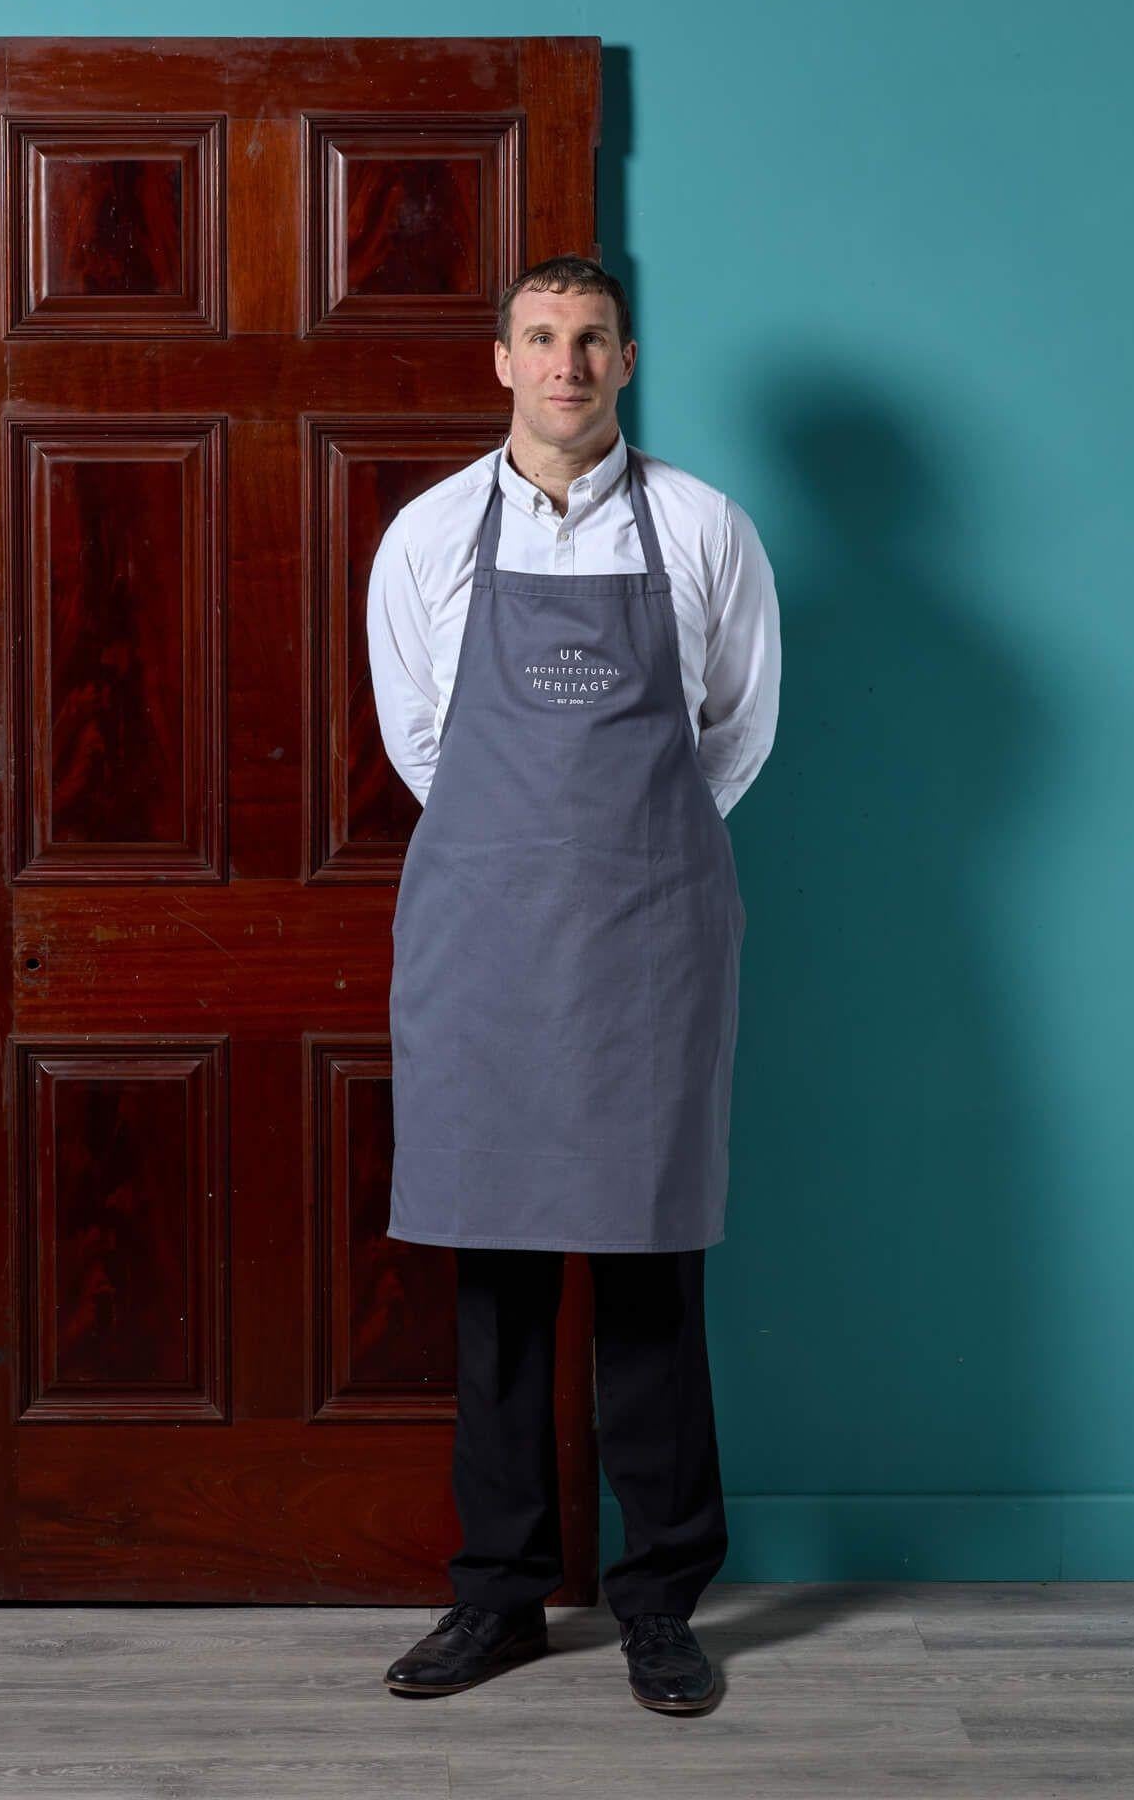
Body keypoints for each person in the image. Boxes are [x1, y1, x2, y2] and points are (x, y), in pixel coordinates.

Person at [365, 254, 781, 1714]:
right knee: (498, 1283)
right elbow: (427, 745)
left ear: (628, 360)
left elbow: (734, 735)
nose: (565, 363)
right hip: (488, 943)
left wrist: (628, 849)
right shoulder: (427, 539)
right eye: (539, 337)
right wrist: (530, 850)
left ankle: (660, 1602)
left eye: (590, 338)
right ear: (502, 361)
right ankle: (499, 1598)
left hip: (653, 940)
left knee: (654, 1278)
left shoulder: (706, 529)